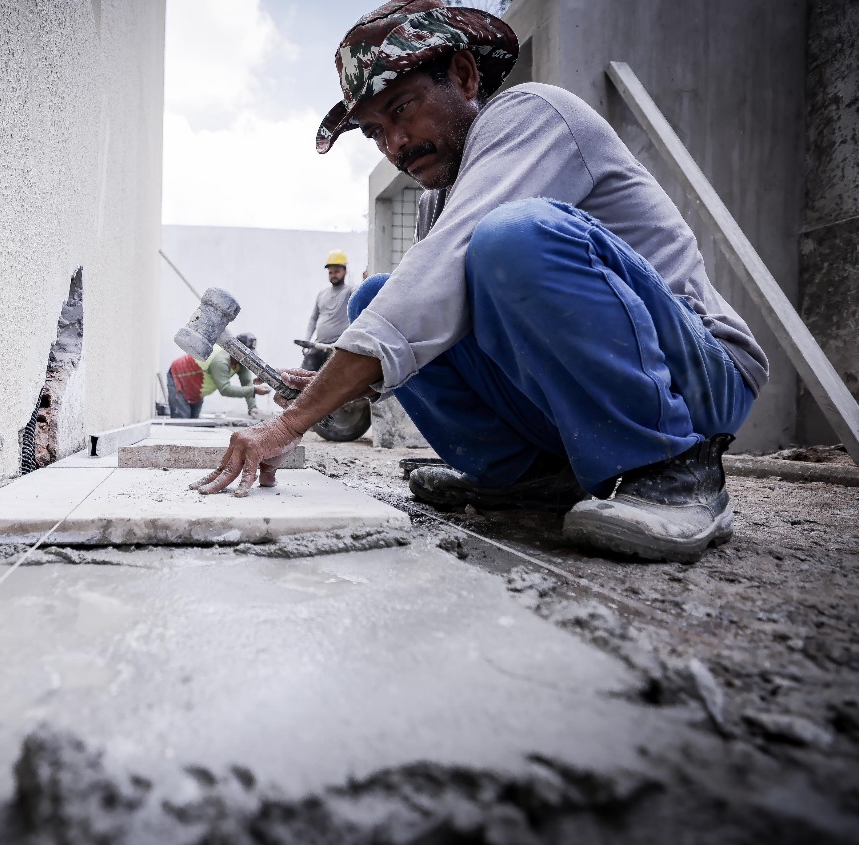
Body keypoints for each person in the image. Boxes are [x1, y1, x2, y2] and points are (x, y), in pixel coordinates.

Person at [190, 0, 769, 564]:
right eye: (374, 132)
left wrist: (291, 423)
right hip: (585, 397)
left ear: (465, 76)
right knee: (375, 295)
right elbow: (420, 318)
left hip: (701, 375)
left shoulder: (532, 115)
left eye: (404, 108)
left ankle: (674, 471)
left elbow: (430, 284)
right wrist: (338, 385)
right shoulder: (440, 195)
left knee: (513, 236)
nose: (394, 143)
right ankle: (533, 478)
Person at [166, 333, 270, 419]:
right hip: (178, 378)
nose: (249, 359)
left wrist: (252, 407)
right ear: (237, 351)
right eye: (247, 355)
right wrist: (255, 390)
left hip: (196, 389)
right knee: (182, 425)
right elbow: (225, 389)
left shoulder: (241, 362)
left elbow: (247, 383)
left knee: (192, 426)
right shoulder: (221, 360)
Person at [303, 250, 356, 371]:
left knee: (330, 383)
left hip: (336, 348)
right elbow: (313, 319)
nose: (333, 275)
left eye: (337, 271)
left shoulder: (349, 292)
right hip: (318, 345)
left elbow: (359, 294)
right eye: (330, 272)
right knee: (303, 375)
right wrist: (307, 341)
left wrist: (365, 280)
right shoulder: (322, 294)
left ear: (345, 272)